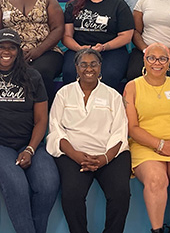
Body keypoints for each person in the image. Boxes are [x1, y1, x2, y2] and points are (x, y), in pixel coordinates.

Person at [0, 28, 59, 233]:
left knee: (48, 184)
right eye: (2, 47)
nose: (6, 52)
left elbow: (41, 119)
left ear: (18, 51)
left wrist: (30, 149)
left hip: (31, 143)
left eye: (11, 47)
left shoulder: (32, 76)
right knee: (18, 188)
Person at [47, 48, 131, 233]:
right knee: (72, 195)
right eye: (83, 64)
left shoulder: (113, 96)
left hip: (108, 154)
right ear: (76, 68)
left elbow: (119, 132)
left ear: (101, 67)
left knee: (120, 194)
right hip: (73, 154)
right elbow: (55, 130)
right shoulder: (64, 94)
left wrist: (104, 158)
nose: (89, 69)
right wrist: (76, 156)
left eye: (93, 64)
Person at [123, 43, 170, 233]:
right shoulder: (132, 87)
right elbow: (132, 127)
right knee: (157, 180)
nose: (157, 63)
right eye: (152, 58)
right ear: (144, 60)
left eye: (162, 58)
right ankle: (156, 230)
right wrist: (160, 144)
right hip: (145, 145)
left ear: (169, 61)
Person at [62, 0, 134, 91]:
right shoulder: (73, 5)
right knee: (69, 72)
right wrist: (79, 48)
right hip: (79, 50)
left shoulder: (119, 5)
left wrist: (104, 47)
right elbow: (67, 36)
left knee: (109, 74)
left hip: (111, 51)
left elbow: (126, 36)